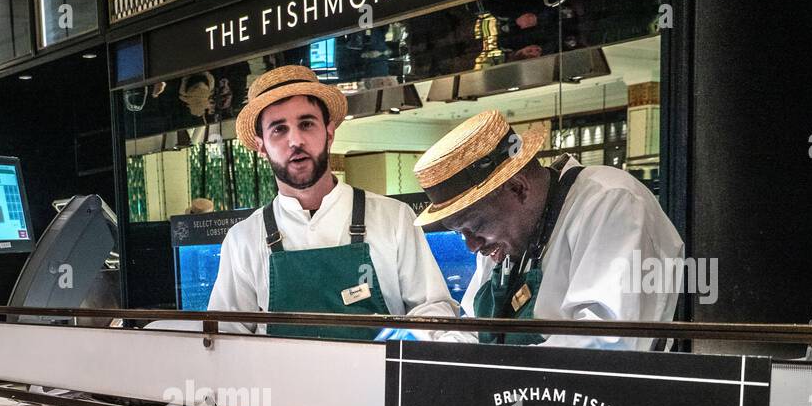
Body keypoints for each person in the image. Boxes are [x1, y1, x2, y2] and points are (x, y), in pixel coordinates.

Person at [208, 65, 457, 338]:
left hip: (374, 380)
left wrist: (410, 337)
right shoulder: (243, 239)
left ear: (329, 132)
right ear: (262, 147)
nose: (295, 141)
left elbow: (434, 308)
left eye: (306, 124)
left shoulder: (394, 218)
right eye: (279, 129)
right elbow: (226, 337)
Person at [412, 109, 684, 350]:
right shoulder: (502, 239)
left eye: (476, 226)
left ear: (518, 188)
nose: (471, 245)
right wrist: (429, 349)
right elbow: (475, 330)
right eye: (462, 233)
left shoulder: (611, 201)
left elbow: (606, 342)